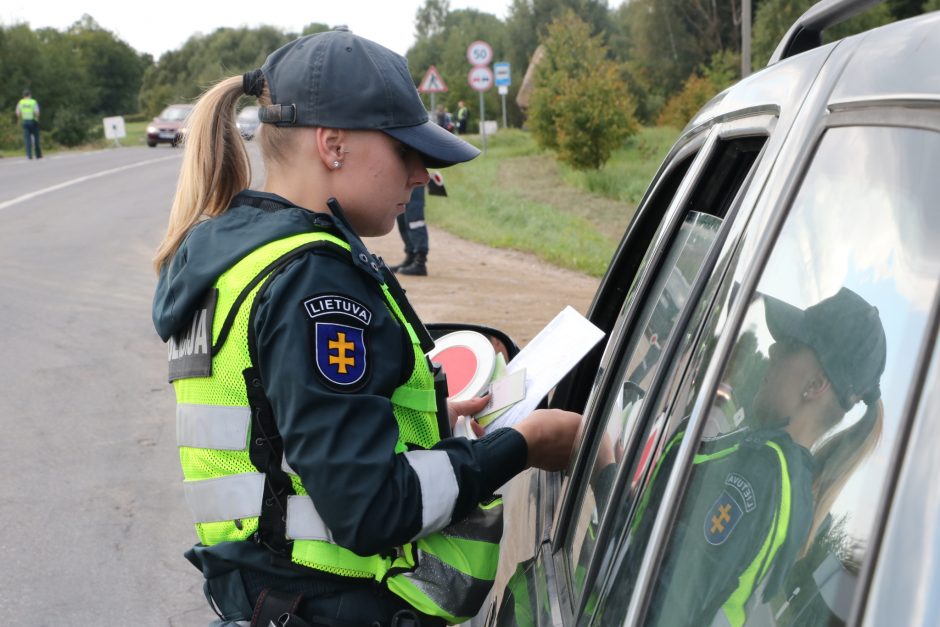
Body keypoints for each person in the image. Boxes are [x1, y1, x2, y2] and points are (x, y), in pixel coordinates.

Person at [151, 27, 581, 627]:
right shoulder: (313, 280)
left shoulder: (233, 258)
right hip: (329, 606)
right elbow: (369, 509)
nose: (421, 175)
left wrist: (427, 417)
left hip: (270, 595)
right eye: (407, 151)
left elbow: (276, 433)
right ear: (333, 145)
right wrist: (522, 445)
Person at [644, 287, 886, 627]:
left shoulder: (759, 474)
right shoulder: (789, 483)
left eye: (789, 346)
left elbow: (663, 606)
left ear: (815, 385)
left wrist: (602, 468)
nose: (772, 351)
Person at [390, 185, 430, 276]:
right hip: (401, 178)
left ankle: (420, 262)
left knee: (414, 219)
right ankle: (411, 258)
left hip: (415, 178)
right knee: (402, 217)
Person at [15, 90, 42, 160]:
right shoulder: (33, 102)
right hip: (33, 122)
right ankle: (38, 154)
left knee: (27, 140)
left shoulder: (20, 102)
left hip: (25, 122)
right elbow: (37, 112)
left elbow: (17, 113)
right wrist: (37, 118)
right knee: (36, 138)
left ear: (23, 96)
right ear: (30, 95)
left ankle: (29, 155)